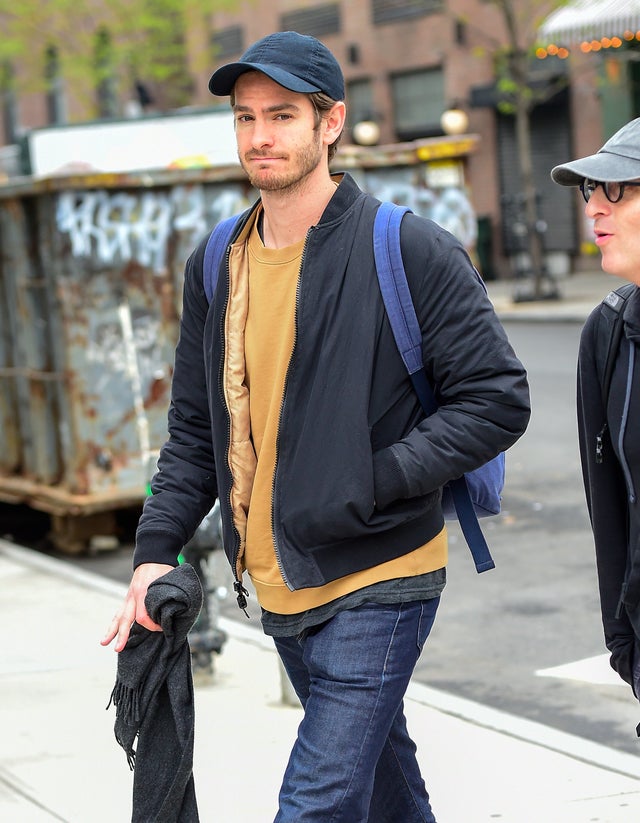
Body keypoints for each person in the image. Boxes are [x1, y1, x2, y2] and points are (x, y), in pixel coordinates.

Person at [103, 31, 530, 821]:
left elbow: (497, 398)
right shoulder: (216, 262)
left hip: (381, 571)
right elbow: (196, 426)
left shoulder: (409, 248)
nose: (260, 136)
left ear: (330, 123)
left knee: (317, 802)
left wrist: (371, 480)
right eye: (245, 118)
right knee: (386, 789)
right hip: (279, 581)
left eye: (283, 115)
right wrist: (153, 550)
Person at [551, 118, 640, 713]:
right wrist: (623, 642)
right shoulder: (609, 332)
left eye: (618, 190)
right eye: (591, 191)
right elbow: (607, 505)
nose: (594, 210)